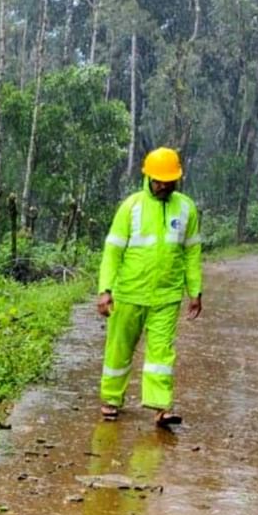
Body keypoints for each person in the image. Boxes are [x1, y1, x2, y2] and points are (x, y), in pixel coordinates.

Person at [97, 147, 202, 427]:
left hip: (167, 296)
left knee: (161, 353)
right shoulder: (131, 207)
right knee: (119, 348)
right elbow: (112, 251)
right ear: (147, 177)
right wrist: (105, 289)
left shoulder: (186, 207)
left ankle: (161, 407)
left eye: (169, 181)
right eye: (158, 180)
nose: (164, 186)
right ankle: (111, 398)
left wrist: (195, 291)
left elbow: (192, 253)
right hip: (129, 293)